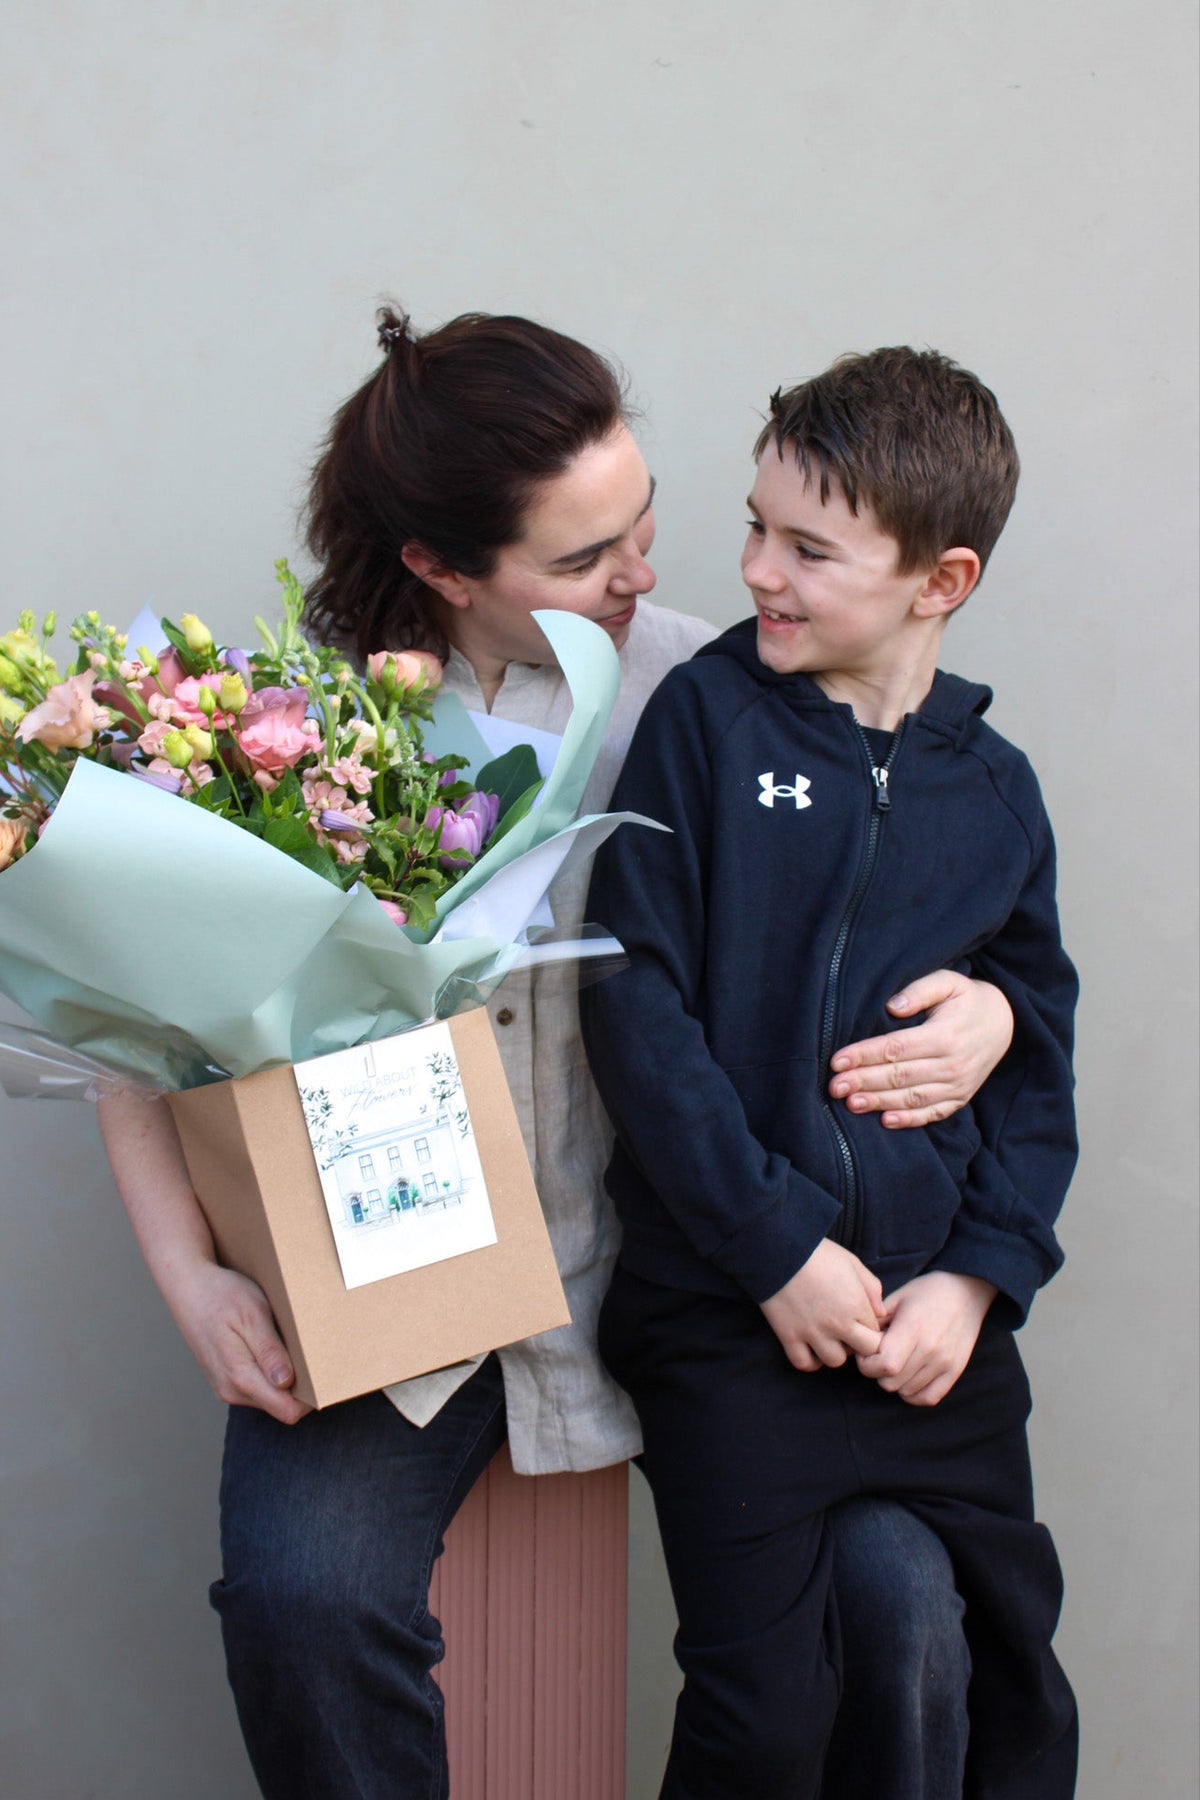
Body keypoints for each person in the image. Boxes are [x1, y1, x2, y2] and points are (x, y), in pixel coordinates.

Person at [97, 313, 1016, 1800]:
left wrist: (998, 1012)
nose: (647, 577)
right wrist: (189, 1275)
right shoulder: (278, 731)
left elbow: (918, 884)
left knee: (897, 1606)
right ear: (445, 570)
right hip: (402, 1303)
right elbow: (131, 1011)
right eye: (587, 562)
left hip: (701, 1270)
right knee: (302, 1598)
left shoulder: (732, 696)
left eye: (644, 528)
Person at [582, 346, 1080, 1799]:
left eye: (808, 547)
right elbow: (636, 1000)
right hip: (736, 1322)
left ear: (942, 581)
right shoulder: (709, 725)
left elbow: (1038, 1058)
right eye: (753, 528)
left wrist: (979, 1282)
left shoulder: (996, 796)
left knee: (1010, 1691)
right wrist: (772, 1246)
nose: (757, 573)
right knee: (766, 1717)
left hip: (935, 1332)